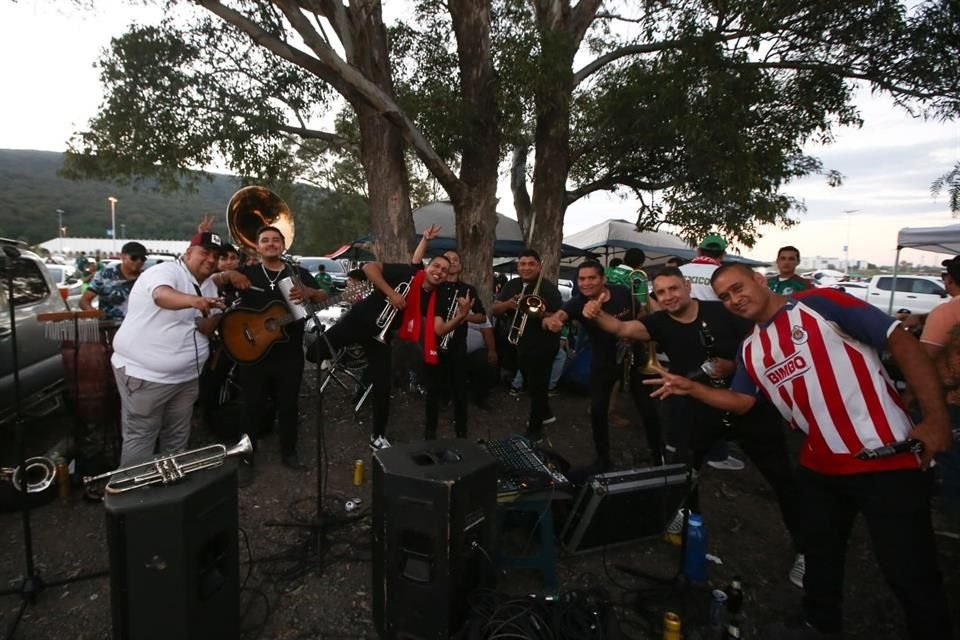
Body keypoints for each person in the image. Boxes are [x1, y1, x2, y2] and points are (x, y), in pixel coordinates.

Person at [649, 263, 953, 639]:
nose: (734, 299)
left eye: (738, 288)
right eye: (725, 296)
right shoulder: (752, 349)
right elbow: (742, 401)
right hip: (820, 466)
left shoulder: (820, 303)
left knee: (909, 572)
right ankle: (818, 623)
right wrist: (693, 389)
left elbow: (900, 340)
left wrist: (935, 418)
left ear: (760, 280)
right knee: (820, 561)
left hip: (886, 457)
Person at [584, 267, 807, 584]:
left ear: (687, 286)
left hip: (748, 406)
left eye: (673, 289)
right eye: (660, 292)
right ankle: (686, 518)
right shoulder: (659, 322)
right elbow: (621, 327)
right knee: (686, 470)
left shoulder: (721, 311)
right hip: (698, 407)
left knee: (782, 477)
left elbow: (761, 345)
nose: (668, 297)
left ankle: (805, 549)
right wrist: (595, 311)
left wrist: (732, 365)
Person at [110, 232, 245, 467]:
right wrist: (194, 301)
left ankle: (169, 490)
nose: (211, 260)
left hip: (187, 377)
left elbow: (202, 328)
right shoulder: (166, 272)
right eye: (205, 253)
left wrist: (221, 314)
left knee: (177, 434)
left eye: (216, 255)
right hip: (146, 376)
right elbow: (161, 296)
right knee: (142, 437)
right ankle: (133, 494)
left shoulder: (208, 285)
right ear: (188, 253)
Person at [307, 226, 441, 450]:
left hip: (382, 336)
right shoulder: (407, 274)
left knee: (382, 385)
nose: (439, 271)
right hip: (358, 321)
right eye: (436, 266)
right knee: (313, 354)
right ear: (427, 268)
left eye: (444, 270)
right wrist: (392, 294)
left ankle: (377, 435)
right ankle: (341, 349)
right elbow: (369, 267)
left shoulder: (433, 297)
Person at [225, 226, 326, 473]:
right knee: (251, 405)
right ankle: (247, 456)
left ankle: (289, 453)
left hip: (289, 353)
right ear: (257, 247)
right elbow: (214, 282)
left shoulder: (298, 273)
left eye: (275, 240)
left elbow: (323, 295)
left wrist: (310, 292)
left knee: (289, 404)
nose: (271, 244)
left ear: (283, 245)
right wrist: (228, 274)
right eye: (265, 240)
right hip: (252, 352)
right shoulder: (246, 272)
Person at [545, 260, 631, 469]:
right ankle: (603, 459)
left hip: (633, 354)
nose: (586, 283)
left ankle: (659, 456)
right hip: (602, 360)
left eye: (591, 278)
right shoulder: (577, 302)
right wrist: (552, 321)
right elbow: (560, 315)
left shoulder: (621, 292)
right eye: (582, 279)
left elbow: (640, 312)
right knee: (597, 411)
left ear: (603, 279)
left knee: (646, 407)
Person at [679, 234, 744, 471]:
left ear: (698, 251)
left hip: (682, 337)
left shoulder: (682, 271)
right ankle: (716, 452)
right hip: (717, 342)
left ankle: (679, 443)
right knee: (716, 395)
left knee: (684, 389)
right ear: (723, 254)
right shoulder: (724, 275)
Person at [491, 250, 563, 441]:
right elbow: (494, 309)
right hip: (519, 343)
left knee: (538, 385)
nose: (526, 267)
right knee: (532, 384)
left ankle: (535, 430)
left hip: (543, 344)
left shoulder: (549, 289)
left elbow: (559, 315)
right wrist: (508, 304)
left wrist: (538, 313)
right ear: (518, 266)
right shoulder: (512, 285)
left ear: (539, 266)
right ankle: (546, 414)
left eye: (531, 264)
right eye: (522, 264)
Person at [426, 249, 486, 439]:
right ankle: (430, 431)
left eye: (455, 259)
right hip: (434, 344)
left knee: (460, 390)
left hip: (457, 345)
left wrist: (464, 314)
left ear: (460, 266)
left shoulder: (468, 290)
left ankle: (461, 431)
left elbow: (482, 316)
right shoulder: (435, 286)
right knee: (432, 390)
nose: (451, 262)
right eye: (448, 259)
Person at [919, 256, 960, 530]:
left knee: (951, 457)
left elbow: (922, 361)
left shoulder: (947, 312)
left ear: (950, 279)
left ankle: (953, 520)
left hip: (953, 400)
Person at [79, 241, 147, 321]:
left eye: (142, 259)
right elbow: (84, 301)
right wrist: (95, 313)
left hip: (138, 328)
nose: (139, 261)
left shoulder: (146, 278)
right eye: (134, 257)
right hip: (110, 328)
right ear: (122, 257)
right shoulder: (104, 275)